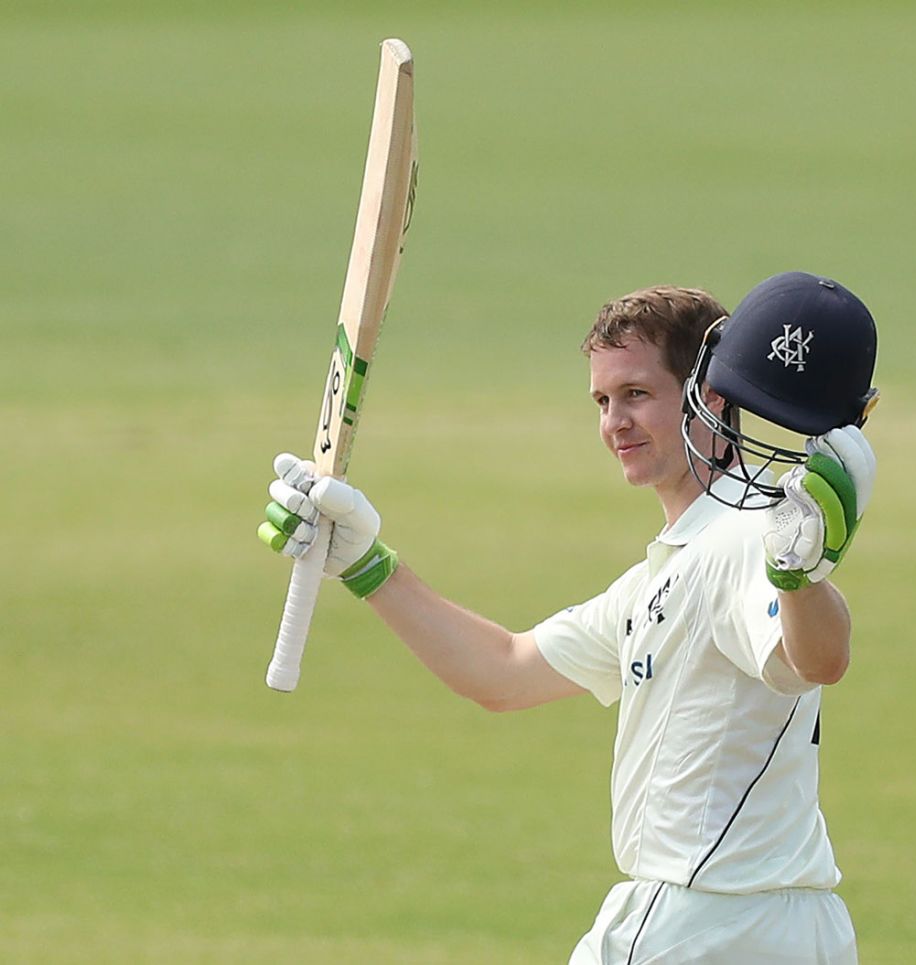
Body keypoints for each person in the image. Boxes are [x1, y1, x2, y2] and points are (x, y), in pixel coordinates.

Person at [258, 272, 880, 963]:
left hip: (704, 923)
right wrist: (364, 561)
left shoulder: (740, 539)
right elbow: (504, 671)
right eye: (603, 400)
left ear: (708, 396)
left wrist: (798, 580)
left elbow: (818, 658)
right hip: (790, 928)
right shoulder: (673, 567)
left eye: (637, 394)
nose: (615, 421)